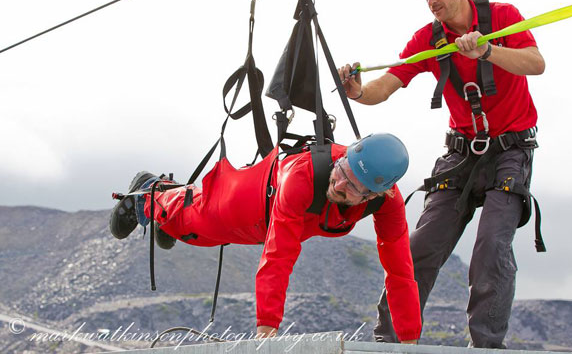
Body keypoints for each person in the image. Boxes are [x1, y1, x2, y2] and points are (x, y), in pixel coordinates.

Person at [338, 0, 545, 348]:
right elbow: (385, 85)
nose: (431, 0)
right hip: (461, 154)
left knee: (491, 249)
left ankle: (485, 346)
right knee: (419, 249)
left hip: (510, 152)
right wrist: (358, 92)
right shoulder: (427, 40)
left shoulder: (503, 17)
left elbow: (536, 63)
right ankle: (391, 342)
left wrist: (486, 51)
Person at [109, 133, 422, 342]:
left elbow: (400, 271)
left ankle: (167, 203)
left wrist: (410, 340)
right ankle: (148, 195)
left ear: (376, 194)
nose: (338, 185)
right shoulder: (305, 177)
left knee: (194, 230)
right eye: (342, 171)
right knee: (197, 224)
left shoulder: (388, 203)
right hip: (259, 197)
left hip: (290, 218)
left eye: (352, 188)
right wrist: (266, 332)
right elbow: (279, 255)